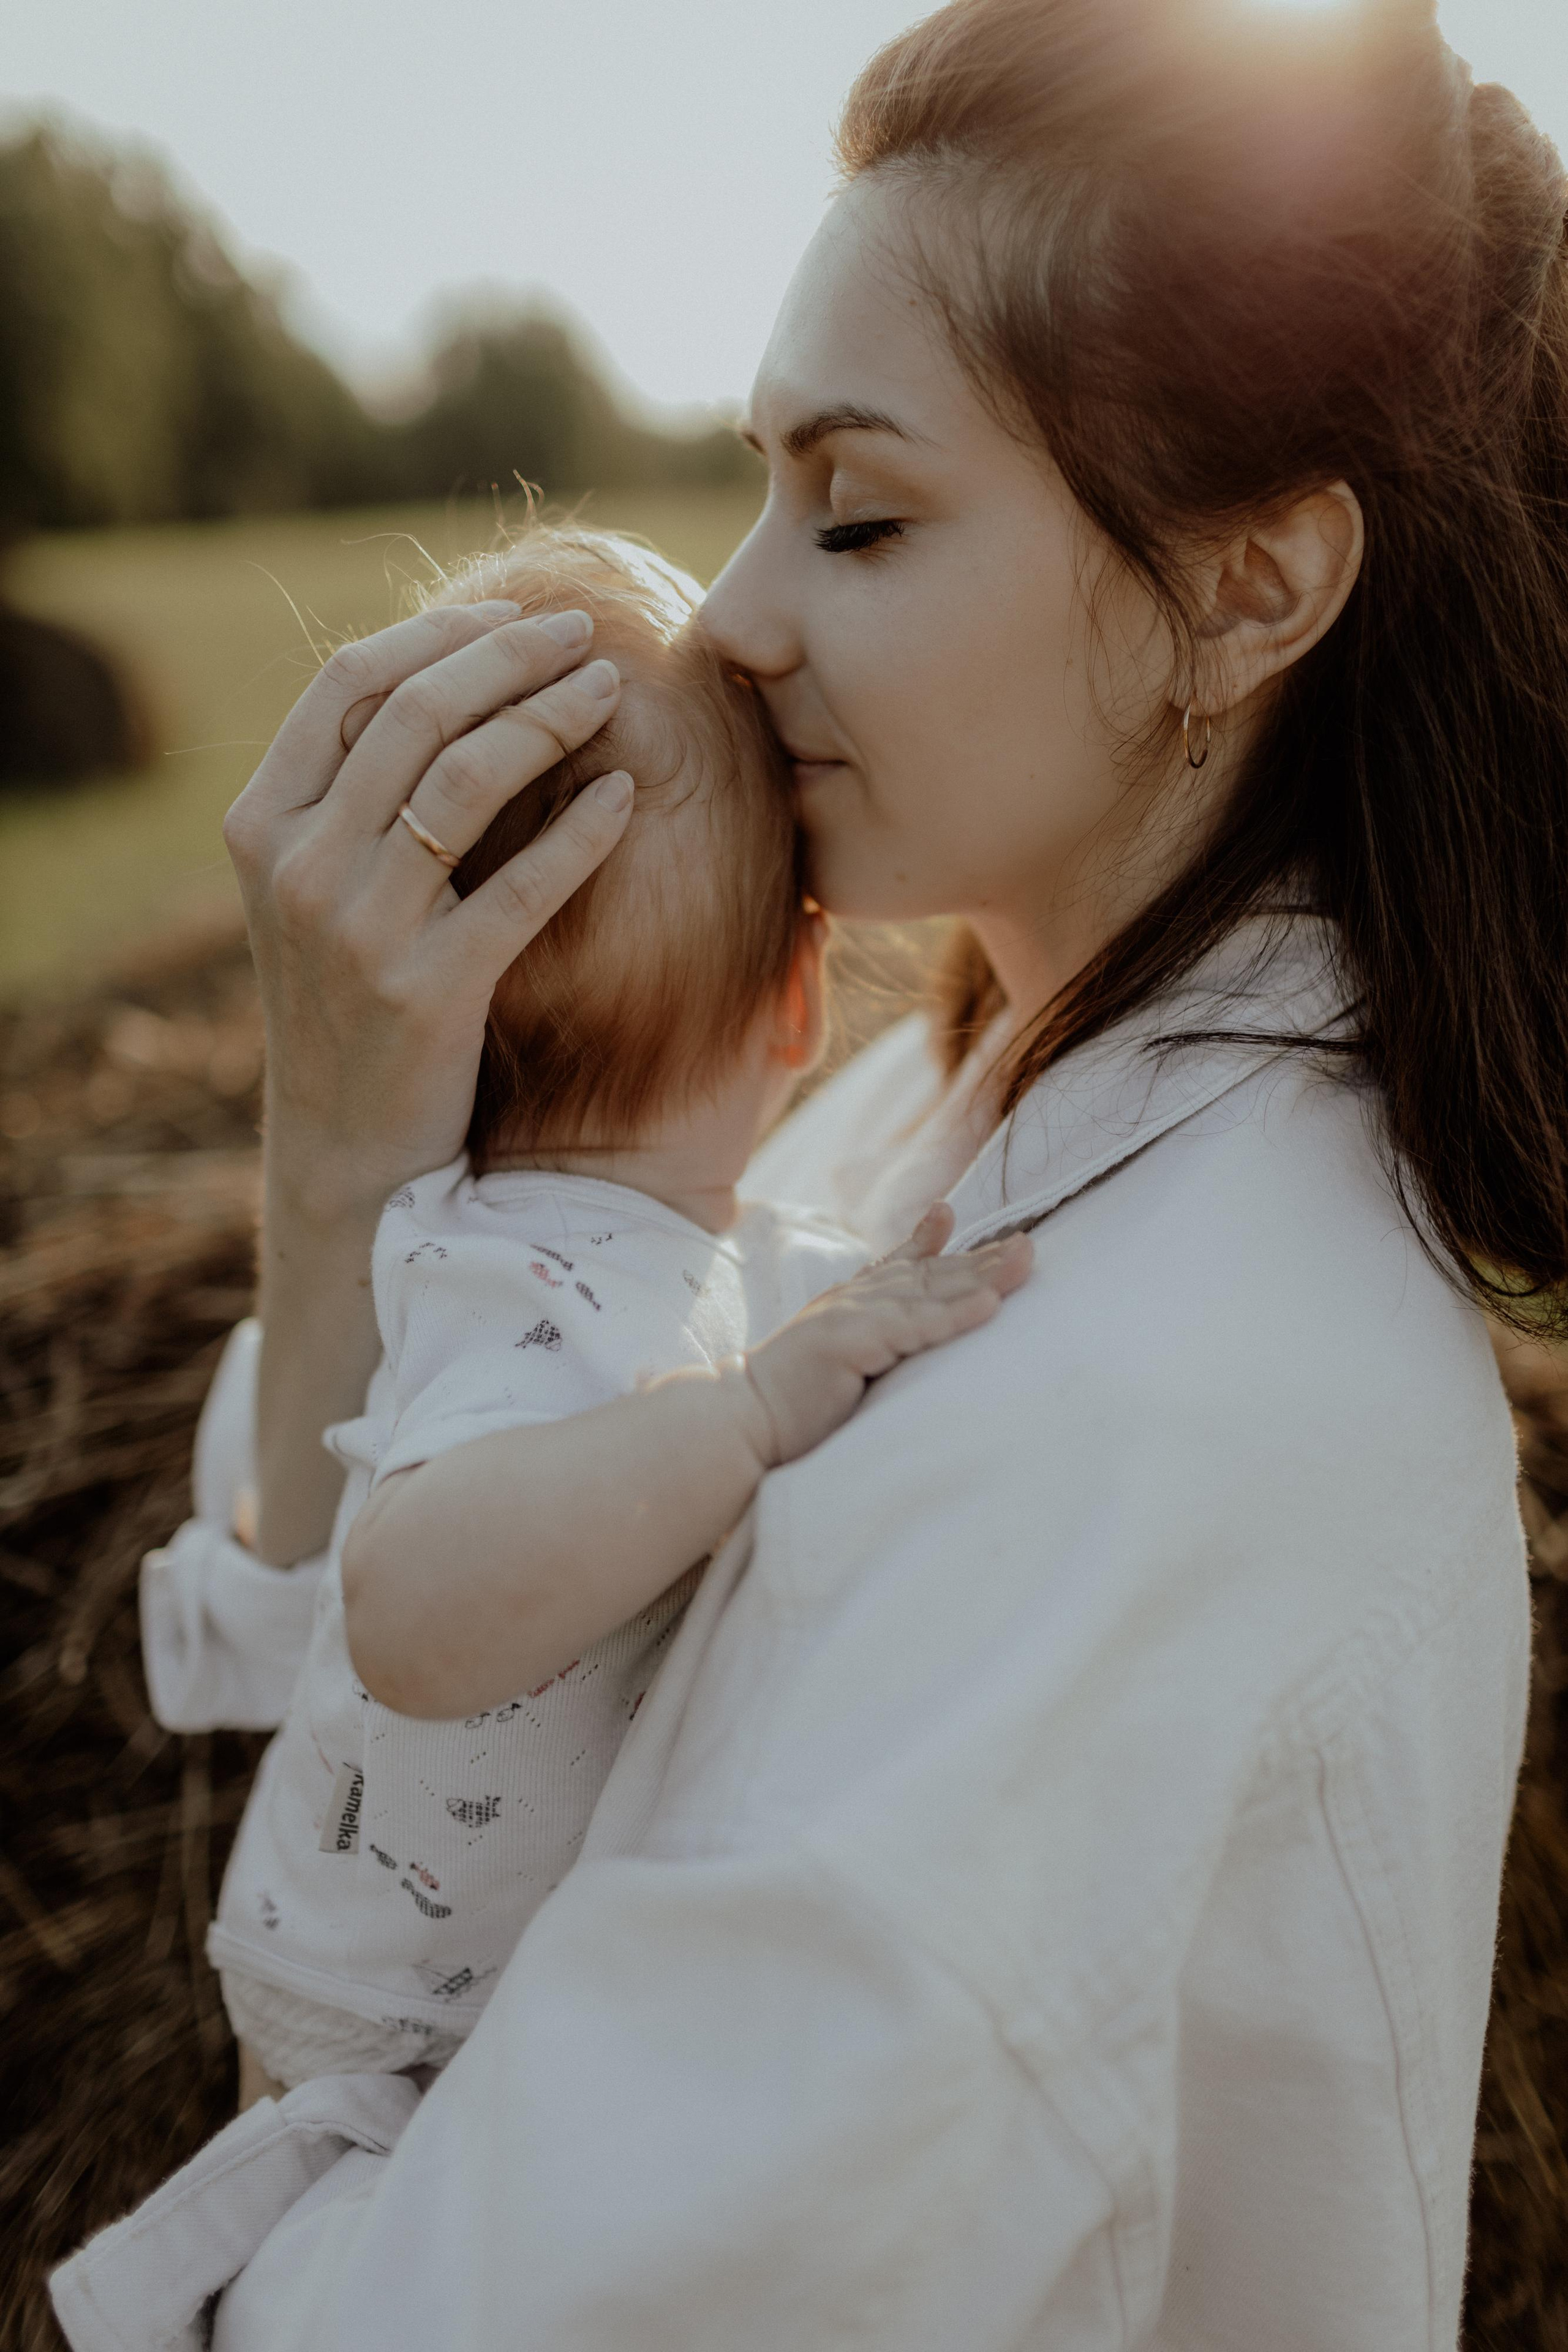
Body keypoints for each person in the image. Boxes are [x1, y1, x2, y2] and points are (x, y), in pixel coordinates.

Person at [50, 0, 1568, 2345]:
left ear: (1256, 590)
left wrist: (299, 2126)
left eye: (860, 513)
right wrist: (353, 1159)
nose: (736, 613)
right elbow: (390, 1700)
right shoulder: (890, 1128)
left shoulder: (1166, 1431)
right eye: (760, 488)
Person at [191, 524, 1029, 2103]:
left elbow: (786, 1296)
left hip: (465, 2012)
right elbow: (411, 1605)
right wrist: (746, 1417)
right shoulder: (520, 1287)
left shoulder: (693, 1258)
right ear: (800, 1002)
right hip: (367, 2031)